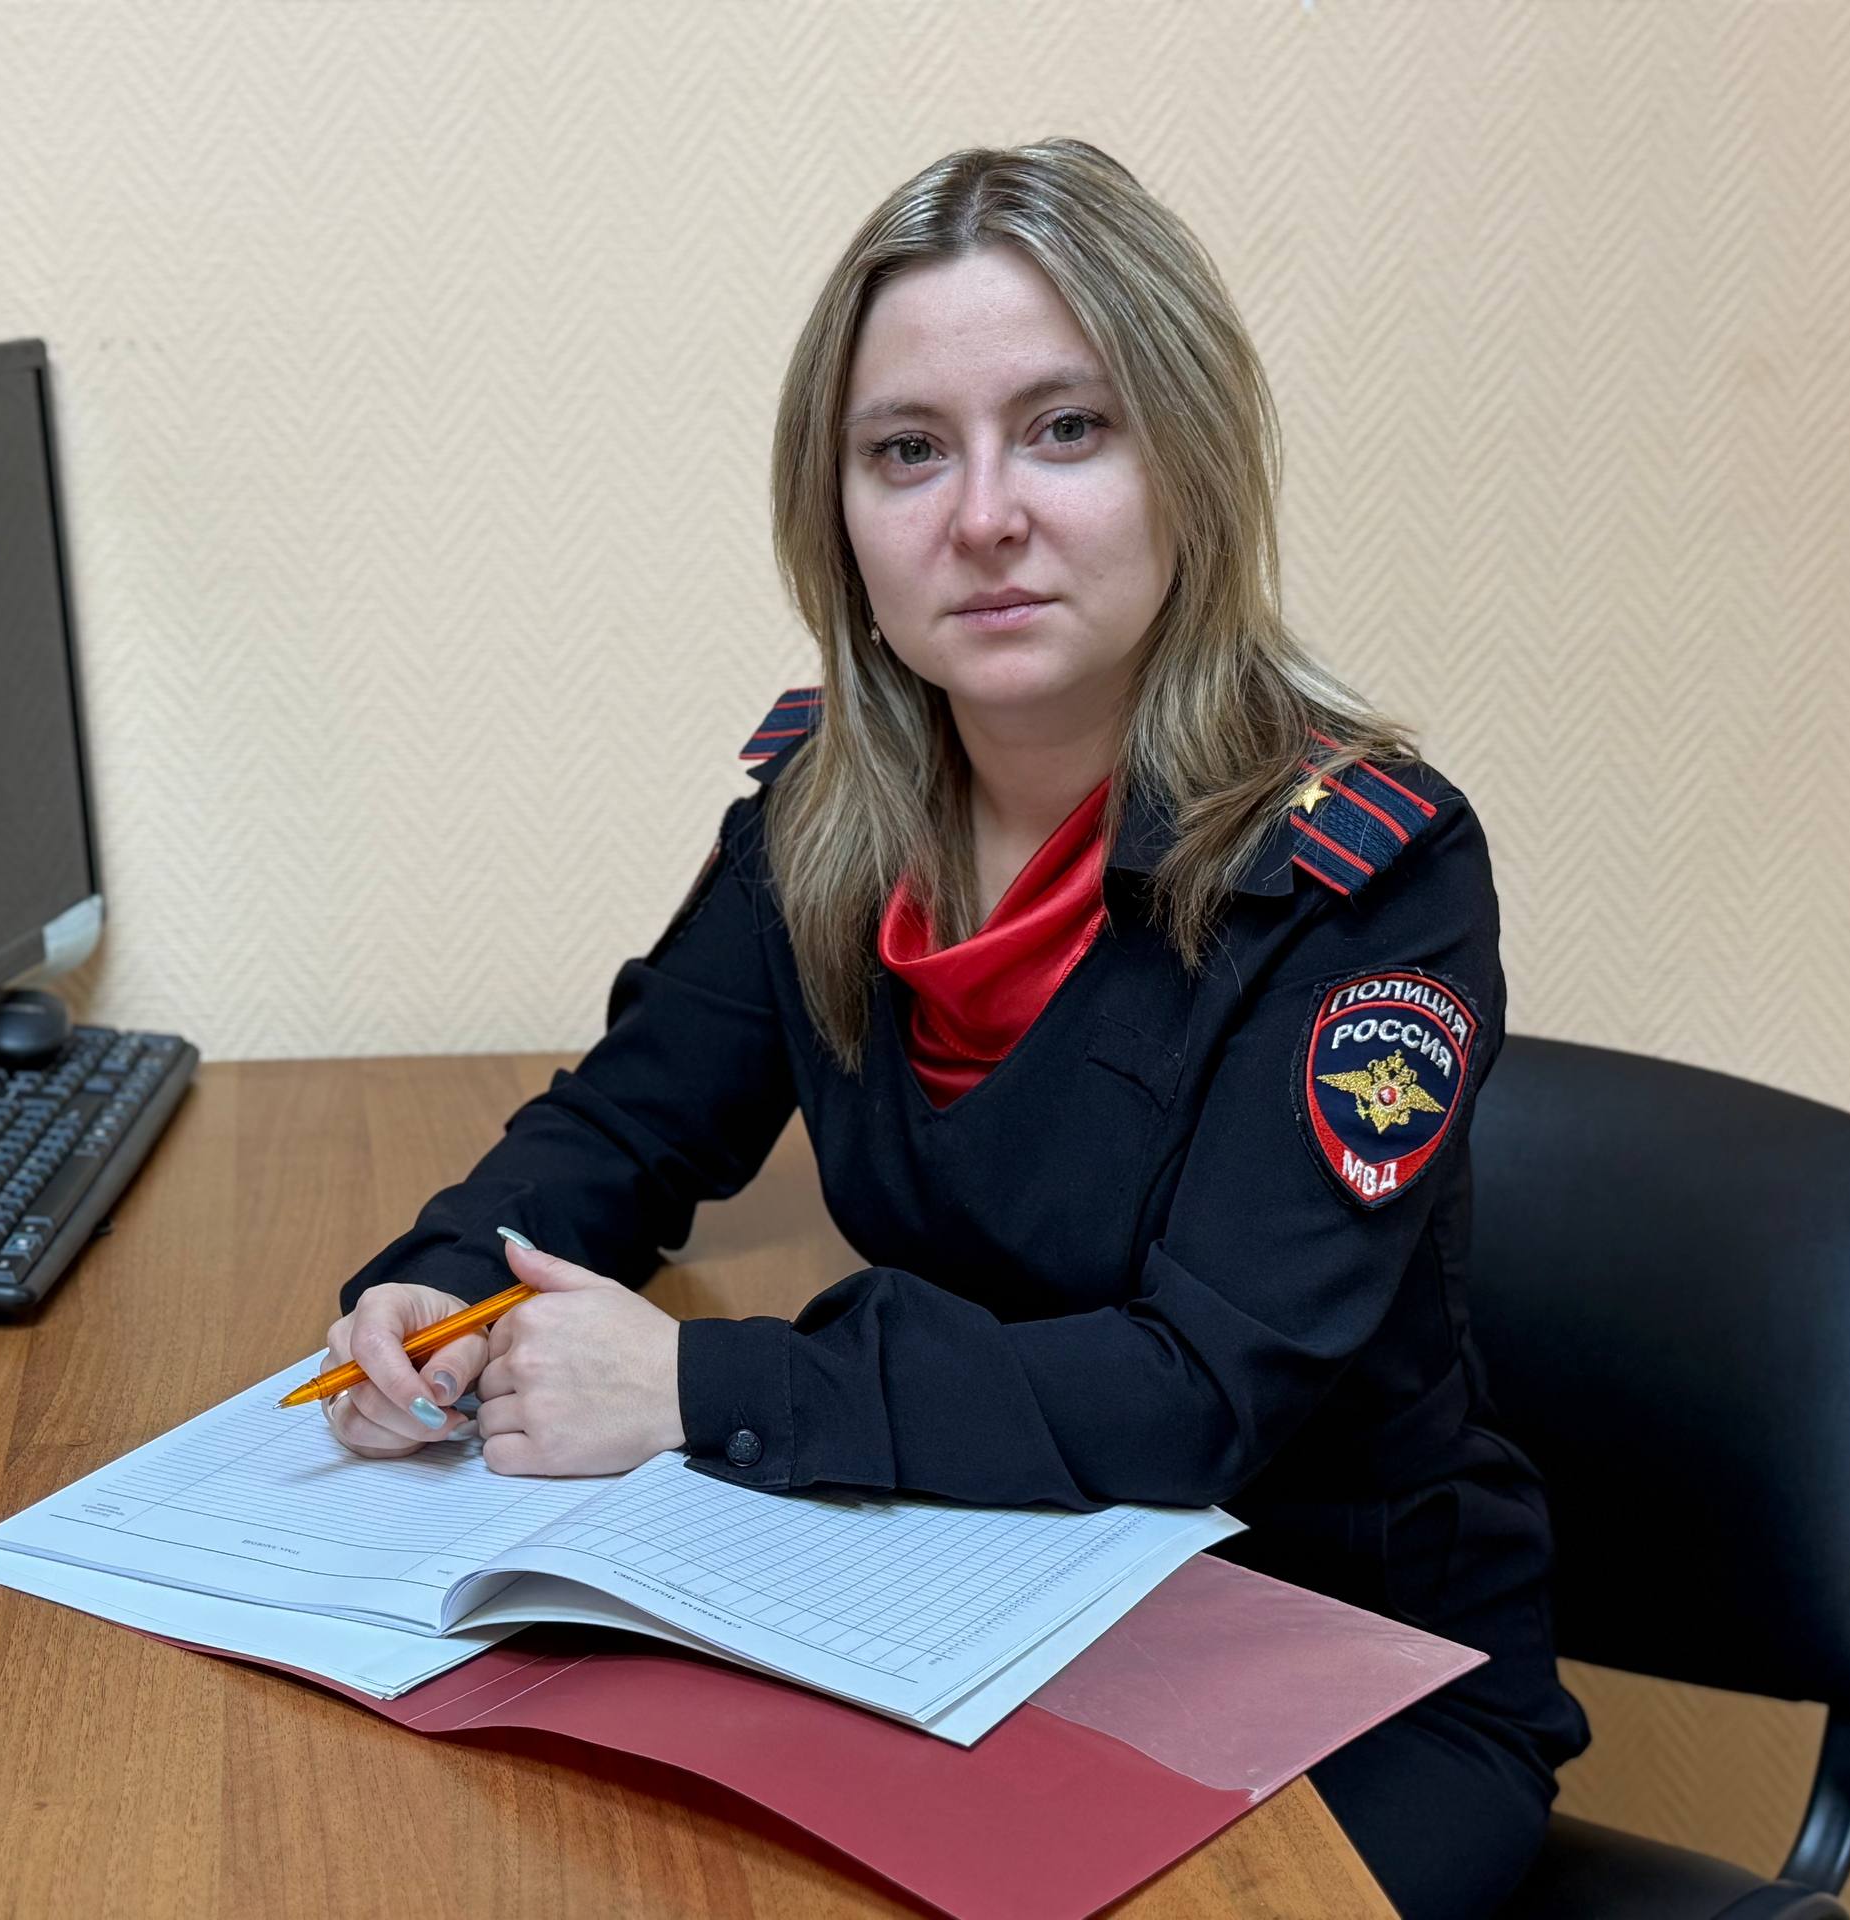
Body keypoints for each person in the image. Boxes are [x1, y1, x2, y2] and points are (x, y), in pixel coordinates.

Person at [314, 136, 1590, 1920]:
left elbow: (1200, 1396)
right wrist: (446, 1286)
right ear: (838, 512)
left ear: (1189, 464)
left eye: (1065, 429)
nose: (982, 515)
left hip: (1331, 1667)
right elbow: (628, 1125)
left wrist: (692, 1390)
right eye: (908, 450)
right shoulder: (828, 813)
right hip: (971, 1591)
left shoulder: (1360, 873)